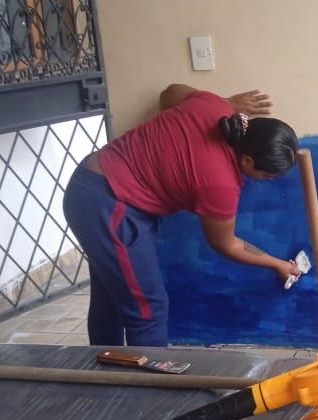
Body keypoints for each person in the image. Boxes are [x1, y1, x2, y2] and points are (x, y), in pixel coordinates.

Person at [62, 83, 303, 347]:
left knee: (111, 297)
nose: (270, 181)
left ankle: (105, 367)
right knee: (148, 310)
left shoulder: (213, 105)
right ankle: (153, 375)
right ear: (247, 160)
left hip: (90, 182)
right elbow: (226, 244)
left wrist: (228, 102)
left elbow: (169, 93)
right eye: (268, 175)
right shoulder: (221, 184)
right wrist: (278, 264)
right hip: (109, 205)